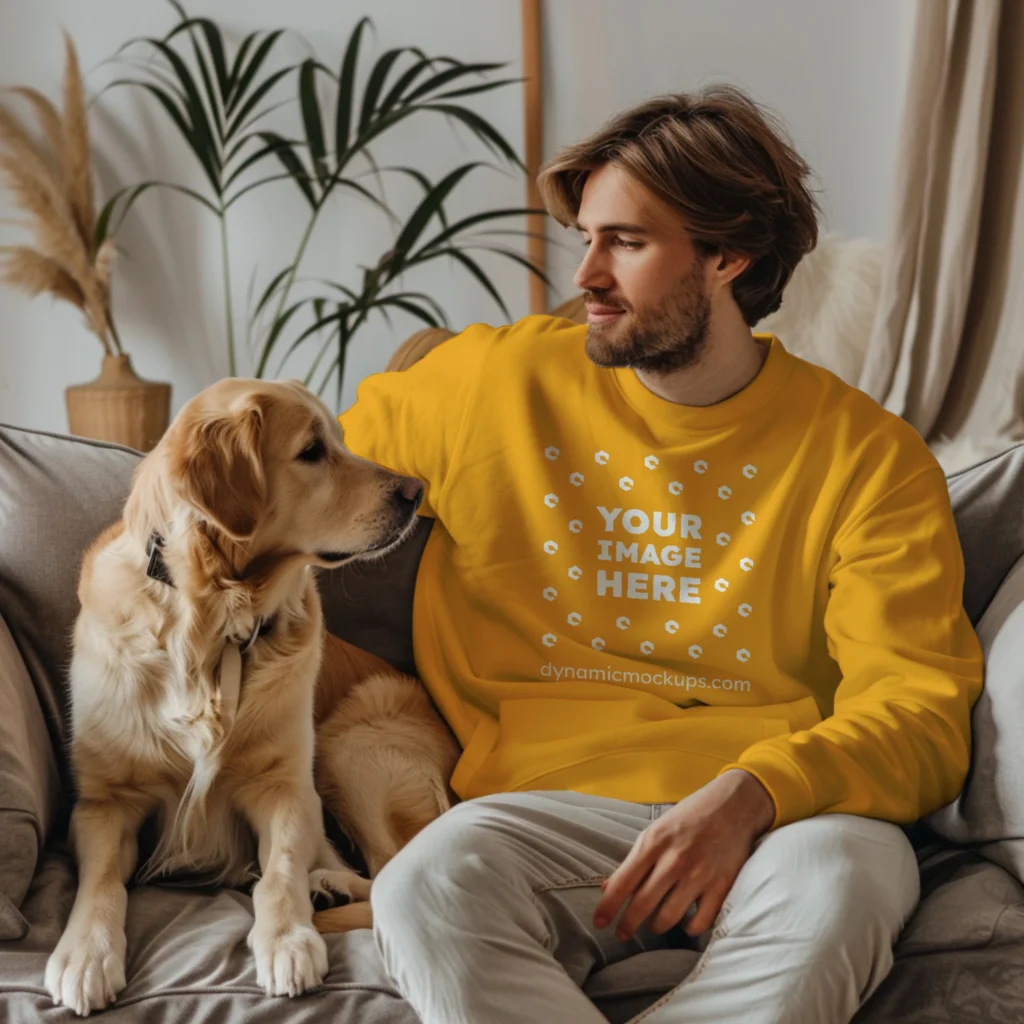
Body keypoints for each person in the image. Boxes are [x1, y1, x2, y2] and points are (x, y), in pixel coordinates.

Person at [336, 86, 984, 1024]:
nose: (588, 275)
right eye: (587, 238)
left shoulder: (867, 457)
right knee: (425, 886)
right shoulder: (489, 383)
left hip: (785, 820)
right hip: (546, 810)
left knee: (845, 878)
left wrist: (758, 791)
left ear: (729, 256)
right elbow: (285, 472)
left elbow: (922, 716)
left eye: (627, 244)